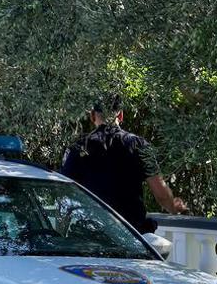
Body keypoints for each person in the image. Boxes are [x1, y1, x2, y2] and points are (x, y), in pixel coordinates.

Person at [60, 94, 186, 232]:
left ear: (92, 116)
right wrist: (173, 208)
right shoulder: (138, 145)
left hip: (90, 232)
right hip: (130, 233)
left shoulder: (79, 146)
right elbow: (161, 194)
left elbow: (65, 190)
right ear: (120, 115)